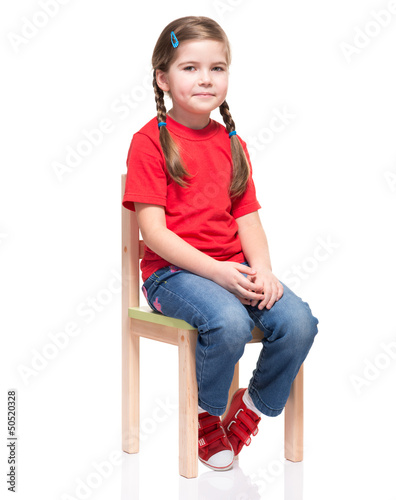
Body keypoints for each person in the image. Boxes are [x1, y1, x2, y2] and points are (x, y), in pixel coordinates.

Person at [122, 16, 319, 472]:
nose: (206, 78)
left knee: (298, 321)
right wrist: (216, 271)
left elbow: (248, 223)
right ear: (162, 78)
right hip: (171, 276)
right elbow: (154, 233)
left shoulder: (234, 144)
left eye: (217, 68)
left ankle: (247, 408)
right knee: (227, 322)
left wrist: (264, 270)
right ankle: (205, 417)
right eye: (190, 68)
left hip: (232, 269)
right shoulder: (149, 142)